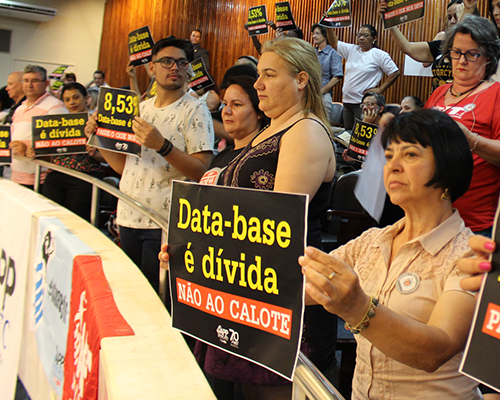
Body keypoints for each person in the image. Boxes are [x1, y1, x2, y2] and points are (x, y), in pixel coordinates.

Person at [160, 37, 337, 400]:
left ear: (301, 80)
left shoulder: (305, 131)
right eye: (259, 75)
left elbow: (274, 227)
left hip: (282, 298)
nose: (258, 84)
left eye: (269, 75)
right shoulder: (270, 131)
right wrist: (192, 247)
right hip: (247, 288)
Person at [301, 109, 482, 399]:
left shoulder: (470, 254)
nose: (392, 166)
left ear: (448, 166)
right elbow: (300, 287)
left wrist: (358, 308)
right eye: (388, 156)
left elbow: (437, 350)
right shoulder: (371, 241)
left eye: (410, 155)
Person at [85, 37, 214, 294]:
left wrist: (162, 145)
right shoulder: (139, 109)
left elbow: (202, 171)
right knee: (130, 293)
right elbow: (125, 168)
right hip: (128, 215)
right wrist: (99, 137)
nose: (175, 67)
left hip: (164, 223)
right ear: (152, 67)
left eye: (182, 63)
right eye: (167, 61)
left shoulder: (195, 110)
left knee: (154, 296)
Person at [425, 15, 500, 235]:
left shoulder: (496, 94)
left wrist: (470, 139)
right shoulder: (439, 93)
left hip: (473, 223)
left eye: (472, 54)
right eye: (456, 52)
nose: (462, 60)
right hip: (431, 216)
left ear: (489, 58)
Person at [378, 0, 478, 92]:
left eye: (456, 16)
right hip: (439, 101)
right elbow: (407, 48)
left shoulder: (478, 46)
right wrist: (388, 20)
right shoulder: (442, 44)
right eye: (449, 17)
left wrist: (467, 12)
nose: (452, 21)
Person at [40, 83, 103, 221]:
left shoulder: (98, 122)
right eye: (67, 99)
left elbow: (109, 158)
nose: (72, 102)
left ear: (86, 98)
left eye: (76, 97)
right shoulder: (58, 123)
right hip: (55, 175)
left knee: (76, 222)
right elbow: (49, 155)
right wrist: (38, 150)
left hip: (84, 177)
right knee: (50, 219)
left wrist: (95, 154)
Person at [327, 24, 400, 131]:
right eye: (359, 35)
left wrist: (380, 89)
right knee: (348, 133)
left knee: (360, 134)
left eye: (365, 35)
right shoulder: (352, 49)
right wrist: (328, 26)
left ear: (374, 38)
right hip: (347, 101)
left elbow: (395, 72)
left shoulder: (379, 54)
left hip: (363, 104)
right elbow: (334, 43)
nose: (361, 38)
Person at [10, 65, 68, 189]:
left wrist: (29, 149)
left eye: (35, 81)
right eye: (26, 80)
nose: (29, 85)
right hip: (17, 177)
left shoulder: (55, 107)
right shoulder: (20, 109)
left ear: (46, 83)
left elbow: (62, 146)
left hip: (41, 181)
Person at [311, 23, 343, 116]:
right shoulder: (311, 52)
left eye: (317, 33)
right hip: (309, 94)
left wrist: (321, 92)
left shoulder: (333, 53)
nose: (314, 36)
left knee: (322, 122)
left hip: (323, 95)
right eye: (313, 33)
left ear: (325, 36)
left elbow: (337, 77)